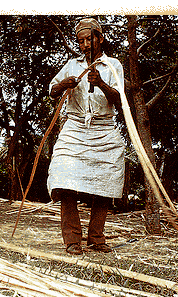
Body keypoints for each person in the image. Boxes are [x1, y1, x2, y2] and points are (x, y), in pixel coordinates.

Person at [47, 17, 126, 255]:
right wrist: (63, 85)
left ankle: (96, 238)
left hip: (104, 129)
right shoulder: (72, 65)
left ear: (100, 39)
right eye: (80, 41)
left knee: (106, 183)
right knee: (63, 178)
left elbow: (120, 100)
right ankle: (72, 239)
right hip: (75, 128)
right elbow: (52, 91)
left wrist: (101, 83)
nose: (84, 45)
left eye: (89, 39)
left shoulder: (113, 66)